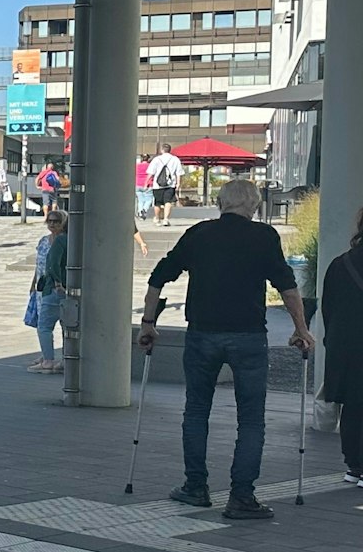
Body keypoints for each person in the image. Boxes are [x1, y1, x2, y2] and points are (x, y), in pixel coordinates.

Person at [138, 178, 314, 520]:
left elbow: (158, 276)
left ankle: (195, 487)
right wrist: (301, 329)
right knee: (251, 420)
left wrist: (148, 323)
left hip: (202, 335)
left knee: (196, 411)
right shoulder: (265, 237)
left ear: (220, 203)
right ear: (255, 206)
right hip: (248, 337)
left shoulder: (199, 234)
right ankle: (241, 497)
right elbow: (288, 288)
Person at [319, 208, 363, 485]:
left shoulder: (340, 263)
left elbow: (328, 308)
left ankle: (354, 465)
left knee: (353, 403)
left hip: (346, 344)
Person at [29, 209, 67, 373]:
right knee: (63, 324)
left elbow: (52, 265)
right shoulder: (44, 241)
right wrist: (33, 283)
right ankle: (48, 355)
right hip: (42, 285)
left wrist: (58, 282)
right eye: (50, 221)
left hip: (54, 287)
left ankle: (48, 360)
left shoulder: (62, 241)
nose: (52, 224)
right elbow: (40, 264)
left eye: (56, 221)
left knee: (45, 325)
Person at [146, 142, 185, 227]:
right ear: (170, 150)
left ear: (162, 150)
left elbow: (151, 172)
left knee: (157, 202)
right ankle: (166, 219)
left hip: (157, 185)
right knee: (168, 202)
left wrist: (146, 183)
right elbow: (179, 173)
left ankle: (157, 218)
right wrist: (178, 183)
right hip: (170, 184)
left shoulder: (156, 159)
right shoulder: (175, 159)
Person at [135, 155, 153, 220]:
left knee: (140, 200)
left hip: (138, 184)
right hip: (148, 184)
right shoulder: (150, 165)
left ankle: (140, 213)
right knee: (148, 199)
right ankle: (144, 210)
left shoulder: (137, 166)